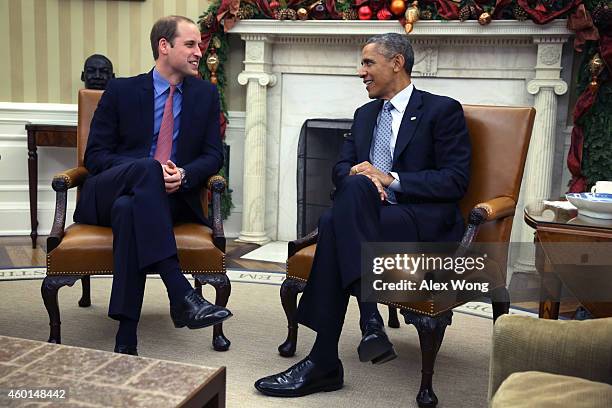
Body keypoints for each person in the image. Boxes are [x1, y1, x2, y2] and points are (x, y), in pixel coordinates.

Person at [254, 33, 471, 397]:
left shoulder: (441, 110)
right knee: (354, 188)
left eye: (368, 63)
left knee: (331, 223)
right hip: (369, 219)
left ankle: (331, 354)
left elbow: (455, 180)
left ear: (397, 62)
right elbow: (340, 169)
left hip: (417, 221)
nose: (361, 72)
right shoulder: (365, 114)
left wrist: (391, 179)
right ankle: (363, 327)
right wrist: (361, 175)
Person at [74, 15, 232, 356]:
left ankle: (126, 337)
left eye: (200, 46)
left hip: (167, 201)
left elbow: (212, 155)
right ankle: (180, 293)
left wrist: (184, 175)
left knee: (129, 209)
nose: (199, 53)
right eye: (190, 44)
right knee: (144, 172)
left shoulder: (204, 95)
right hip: (106, 193)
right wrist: (146, 171)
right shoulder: (122, 90)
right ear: (164, 46)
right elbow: (95, 157)